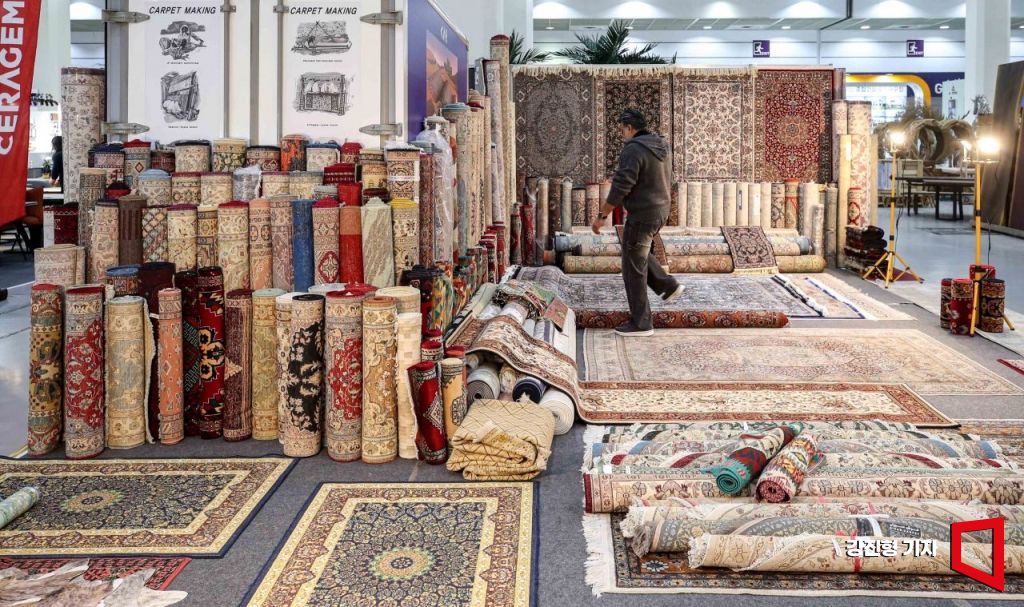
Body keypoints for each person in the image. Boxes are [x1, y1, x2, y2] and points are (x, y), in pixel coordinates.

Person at [591, 108, 683, 337]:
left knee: (632, 268)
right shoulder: (661, 145)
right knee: (636, 253)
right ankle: (667, 285)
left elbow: (621, 185)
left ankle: (642, 324)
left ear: (630, 127)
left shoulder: (633, 149)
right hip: (661, 210)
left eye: (623, 129)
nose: (622, 134)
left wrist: (602, 216)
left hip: (643, 213)